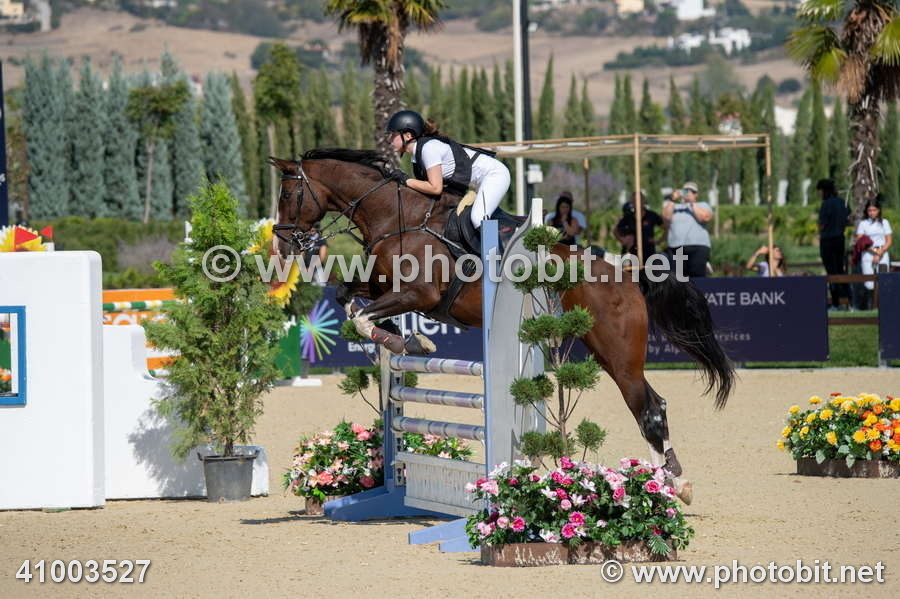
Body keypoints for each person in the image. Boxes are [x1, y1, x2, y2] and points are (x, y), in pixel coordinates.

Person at [385, 110, 510, 229]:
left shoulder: (428, 149)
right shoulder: (416, 155)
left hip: (494, 175)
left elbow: (435, 188)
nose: (389, 140)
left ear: (408, 135)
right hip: (479, 183)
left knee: (478, 218)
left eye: (393, 135)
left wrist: (405, 180)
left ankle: (493, 246)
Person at [662, 182, 713, 278]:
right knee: (678, 279)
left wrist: (691, 203)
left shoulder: (702, 205)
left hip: (698, 247)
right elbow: (666, 217)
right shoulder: (674, 207)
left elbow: (704, 217)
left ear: (696, 194)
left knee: (697, 278)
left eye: (692, 191)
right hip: (676, 247)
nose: (688, 193)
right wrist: (672, 200)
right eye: (685, 191)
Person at [816, 179, 851, 309]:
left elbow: (822, 224)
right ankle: (850, 299)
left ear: (824, 190)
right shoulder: (842, 202)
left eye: (819, 191)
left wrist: (819, 229)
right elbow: (849, 220)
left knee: (831, 272)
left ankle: (836, 302)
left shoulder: (826, 204)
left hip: (827, 241)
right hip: (840, 239)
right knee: (841, 270)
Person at [855, 197, 892, 292]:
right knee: (869, 284)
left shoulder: (884, 222)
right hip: (868, 254)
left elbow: (889, 241)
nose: (872, 213)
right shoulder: (863, 224)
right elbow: (860, 241)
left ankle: (882, 301)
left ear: (878, 210)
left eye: (874, 210)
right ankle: (871, 300)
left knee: (884, 281)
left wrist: (879, 253)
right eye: (869, 210)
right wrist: (875, 251)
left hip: (882, 253)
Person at [613, 193, 665, 259]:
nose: (637, 203)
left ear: (644, 201)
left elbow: (665, 227)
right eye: (634, 201)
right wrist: (623, 241)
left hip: (649, 252)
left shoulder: (651, 215)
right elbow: (615, 231)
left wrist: (659, 241)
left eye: (639, 200)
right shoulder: (628, 217)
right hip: (632, 253)